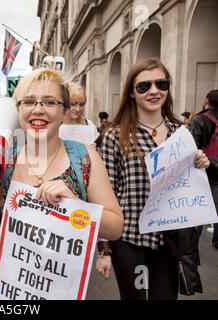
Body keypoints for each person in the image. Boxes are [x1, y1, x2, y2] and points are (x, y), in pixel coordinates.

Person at [0, 67, 124, 298]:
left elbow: (116, 227)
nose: (38, 110)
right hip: (9, 289)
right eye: (29, 101)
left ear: (64, 111)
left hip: (60, 289)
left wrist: (76, 207)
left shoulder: (84, 158)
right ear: (19, 110)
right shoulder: (6, 159)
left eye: (49, 102)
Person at [100, 58, 209, 300]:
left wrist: (200, 163)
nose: (154, 91)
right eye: (144, 86)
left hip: (169, 239)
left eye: (161, 84)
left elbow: (190, 185)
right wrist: (104, 249)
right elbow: (105, 194)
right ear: (131, 92)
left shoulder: (182, 133)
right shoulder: (114, 137)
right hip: (130, 238)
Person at [189, 89, 218, 249]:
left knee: (197, 213)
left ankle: (192, 250)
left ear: (206, 100)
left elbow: (192, 148)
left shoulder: (200, 119)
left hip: (204, 170)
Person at [59, 82, 99, 148]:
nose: (78, 109)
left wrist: (95, 149)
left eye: (81, 104)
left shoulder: (89, 124)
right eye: (73, 104)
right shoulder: (56, 126)